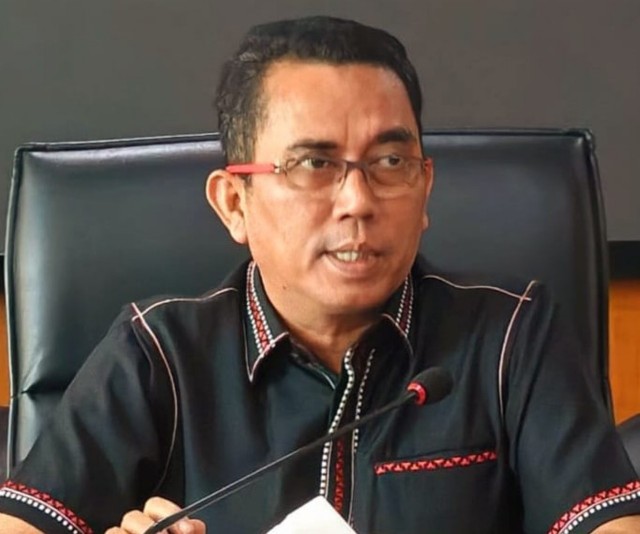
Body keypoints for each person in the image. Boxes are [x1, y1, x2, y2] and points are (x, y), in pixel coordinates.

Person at [0, 15, 639, 534]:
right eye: (314, 164)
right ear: (234, 203)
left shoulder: (510, 339)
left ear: (425, 188)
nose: (358, 201)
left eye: (390, 161)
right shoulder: (157, 354)